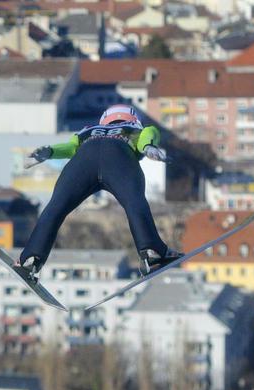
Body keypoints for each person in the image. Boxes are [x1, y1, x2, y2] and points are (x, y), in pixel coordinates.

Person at [14, 104, 182, 280]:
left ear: (103, 120)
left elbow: (70, 147)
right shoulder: (134, 129)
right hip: (118, 158)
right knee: (135, 204)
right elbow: (149, 134)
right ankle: (151, 252)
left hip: (83, 161)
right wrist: (148, 147)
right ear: (134, 119)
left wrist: (50, 152)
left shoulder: (88, 130)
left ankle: (29, 260)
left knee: (55, 209)